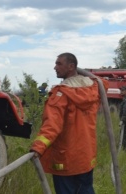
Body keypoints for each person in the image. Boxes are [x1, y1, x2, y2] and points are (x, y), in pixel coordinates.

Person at [30, 52, 108, 194]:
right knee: (85, 190)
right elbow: (104, 84)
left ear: (71, 66)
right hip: (86, 157)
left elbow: (52, 125)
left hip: (66, 159)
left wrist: (38, 147)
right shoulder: (93, 88)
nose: (55, 67)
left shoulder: (61, 94)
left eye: (59, 64)